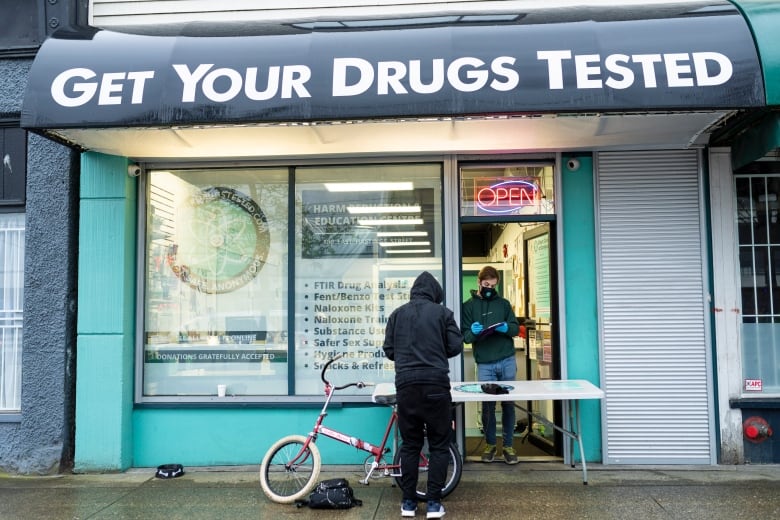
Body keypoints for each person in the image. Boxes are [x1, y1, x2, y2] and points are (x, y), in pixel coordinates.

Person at [383, 271, 463, 519]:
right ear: (435, 294)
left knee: (410, 445)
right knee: (439, 445)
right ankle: (433, 505)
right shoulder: (443, 314)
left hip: (406, 385)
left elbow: (389, 350)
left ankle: (408, 503)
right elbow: (455, 346)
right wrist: (435, 351)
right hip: (436, 385)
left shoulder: (397, 314)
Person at [461, 265, 520, 464]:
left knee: (508, 404)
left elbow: (514, 328)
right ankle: (490, 444)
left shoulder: (503, 304)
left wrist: (505, 327)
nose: (489, 288)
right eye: (486, 284)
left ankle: (509, 446)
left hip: (506, 360)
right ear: (478, 282)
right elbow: (465, 336)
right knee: (487, 406)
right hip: (485, 362)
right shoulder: (468, 306)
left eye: (493, 285)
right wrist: (473, 332)